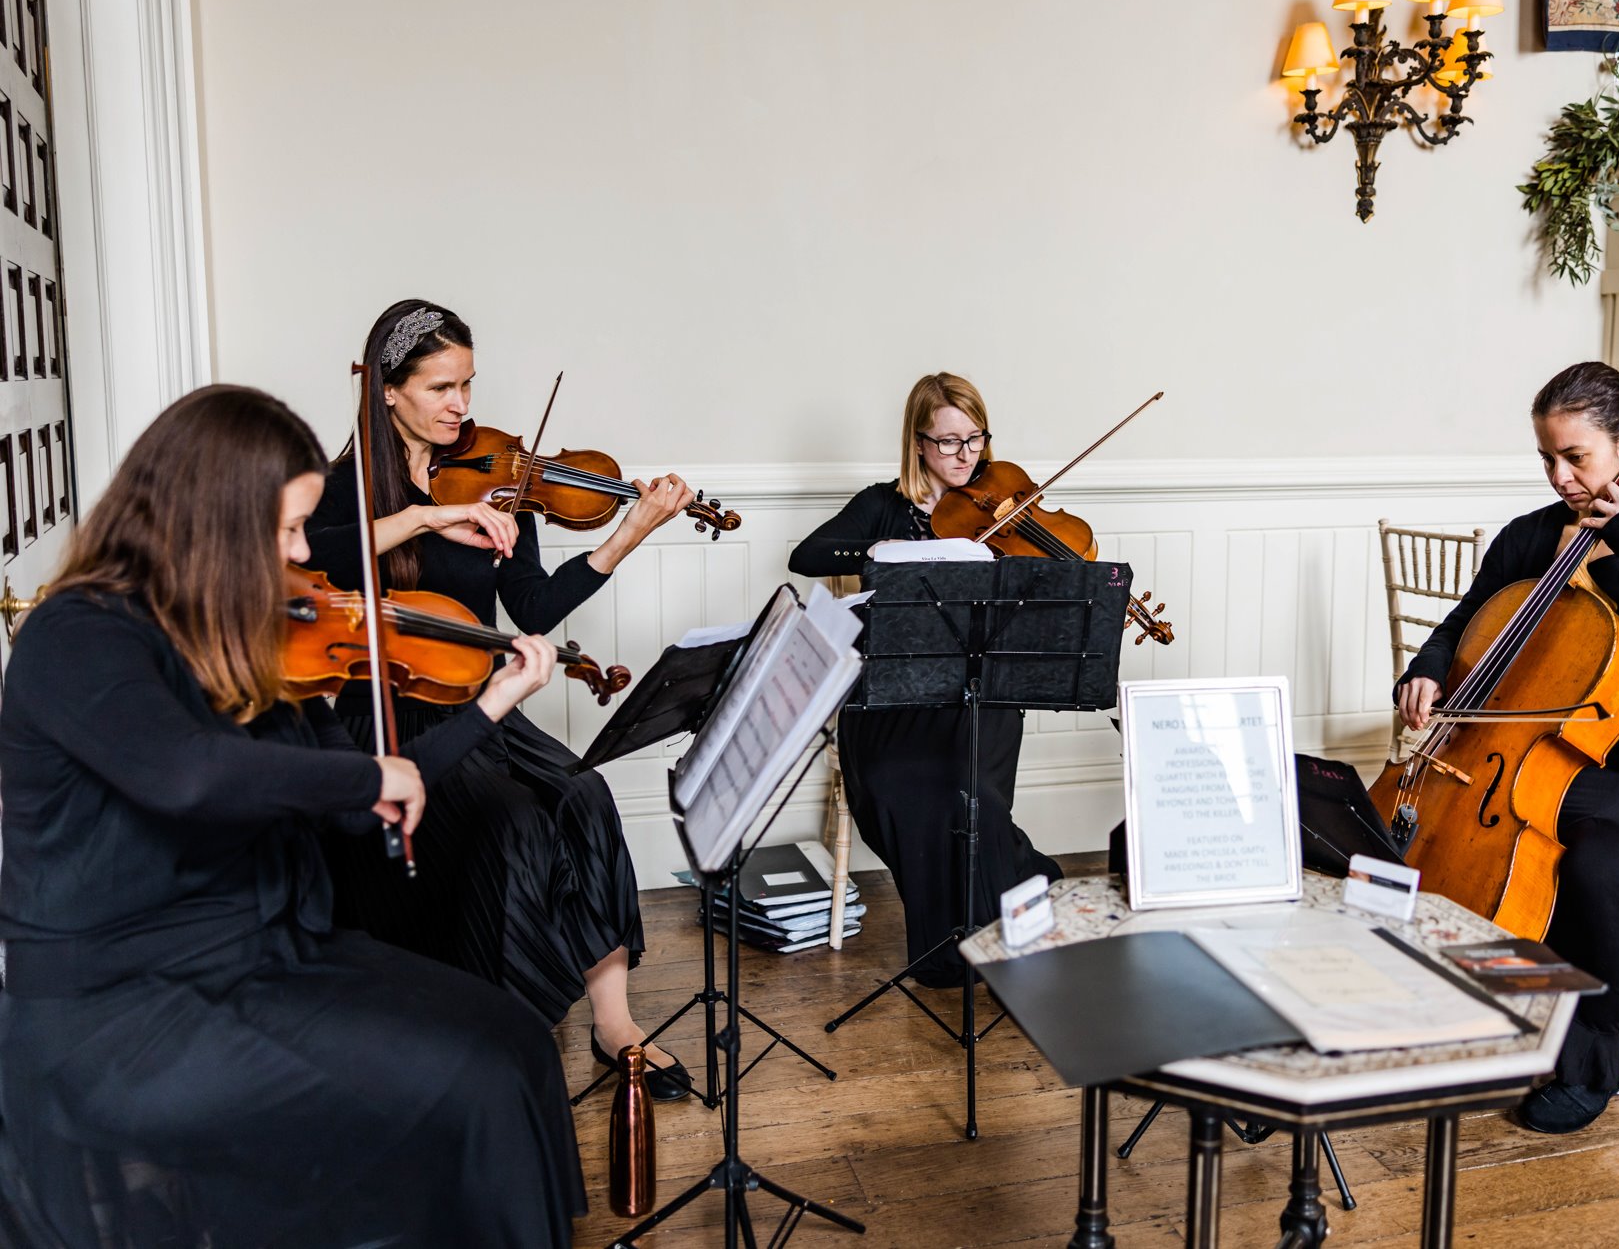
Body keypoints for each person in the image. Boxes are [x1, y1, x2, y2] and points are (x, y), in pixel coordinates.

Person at [0, 385, 584, 1247]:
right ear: (208, 526)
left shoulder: (253, 638)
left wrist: (487, 707)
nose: (304, 552)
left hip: (271, 953)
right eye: (285, 530)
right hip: (126, 1008)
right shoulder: (80, 636)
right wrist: (360, 781)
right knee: (471, 1087)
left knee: (519, 1044)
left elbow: (368, 796)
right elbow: (188, 774)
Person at [308, 299, 697, 1098]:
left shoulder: (495, 477)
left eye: (468, 386)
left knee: (584, 793)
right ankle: (510, 1029)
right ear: (388, 392)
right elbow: (318, 558)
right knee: (514, 825)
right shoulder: (339, 486)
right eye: (441, 388)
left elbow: (536, 608)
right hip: (393, 714)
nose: (462, 407)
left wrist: (630, 533)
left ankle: (613, 1020)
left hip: (479, 698)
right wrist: (422, 516)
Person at [1395, 361, 1619, 1134]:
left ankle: (1595, 1058)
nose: (1559, 476)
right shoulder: (1531, 538)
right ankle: (1500, 1015)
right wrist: (1424, 672)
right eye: (1548, 459)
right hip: (1527, 755)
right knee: (1478, 850)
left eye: (1576, 457)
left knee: (1588, 862)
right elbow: (1462, 625)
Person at [789, 372, 1063, 987]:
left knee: (966, 789)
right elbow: (807, 555)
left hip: (980, 686)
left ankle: (991, 934)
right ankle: (1015, 891)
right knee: (892, 781)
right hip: (894, 690)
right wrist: (882, 549)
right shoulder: (882, 502)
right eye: (947, 442)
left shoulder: (1006, 503)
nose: (965, 457)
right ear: (917, 444)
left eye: (975, 439)